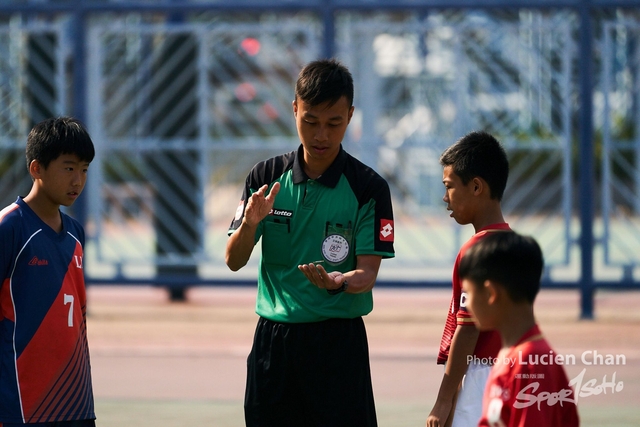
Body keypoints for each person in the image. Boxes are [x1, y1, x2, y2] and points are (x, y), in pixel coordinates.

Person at [225, 58, 395, 427]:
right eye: (310, 121)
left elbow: (367, 272)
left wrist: (340, 281)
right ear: (294, 110)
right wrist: (250, 226)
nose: (321, 135)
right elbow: (233, 260)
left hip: (338, 344)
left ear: (350, 116)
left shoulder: (369, 188)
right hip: (274, 343)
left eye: (334, 123)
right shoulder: (266, 177)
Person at [0, 117, 96, 426]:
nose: (78, 181)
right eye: (68, 168)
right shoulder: (10, 227)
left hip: (77, 403)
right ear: (36, 168)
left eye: (84, 170)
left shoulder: (75, 233)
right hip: (22, 405)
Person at [427, 131, 510, 427]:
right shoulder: (512, 244)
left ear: (476, 186)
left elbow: (468, 330)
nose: (445, 198)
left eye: (449, 187)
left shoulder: (478, 250)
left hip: (483, 378)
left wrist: (444, 399)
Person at [458, 232, 580, 426]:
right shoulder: (511, 356)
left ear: (491, 293)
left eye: (468, 293)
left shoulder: (531, 364)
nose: (468, 304)